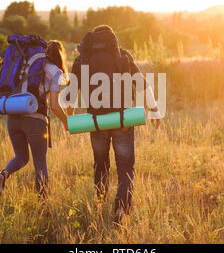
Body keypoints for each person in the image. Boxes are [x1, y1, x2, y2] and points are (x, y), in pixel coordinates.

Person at [68, 25, 161, 224]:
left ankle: (101, 202)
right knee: (126, 167)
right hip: (123, 121)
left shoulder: (82, 59)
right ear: (113, 40)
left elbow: (69, 96)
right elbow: (143, 84)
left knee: (100, 163)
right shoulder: (122, 56)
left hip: (96, 122)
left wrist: (69, 118)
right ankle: (121, 208)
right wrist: (154, 109)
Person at [0, 40, 69, 198]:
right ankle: (42, 204)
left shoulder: (26, 64)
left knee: (21, 157)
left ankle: (3, 174)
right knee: (40, 163)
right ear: (60, 55)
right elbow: (54, 105)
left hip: (13, 115)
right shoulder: (56, 72)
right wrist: (66, 121)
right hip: (35, 120)